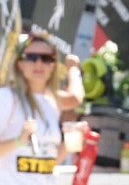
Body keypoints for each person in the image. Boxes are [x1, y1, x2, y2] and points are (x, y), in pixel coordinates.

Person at [0, 31, 85, 185]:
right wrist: (18, 141)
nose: (39, 63)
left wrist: (67, 144)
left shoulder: (52, 103)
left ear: (53, 65)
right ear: (20, 63)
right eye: (31, 57)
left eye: (46, 58)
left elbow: (46, 163)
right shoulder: (6, 98)